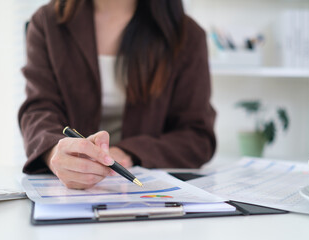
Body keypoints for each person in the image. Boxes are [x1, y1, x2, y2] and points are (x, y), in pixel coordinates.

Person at [18, 0, 216, 189]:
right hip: (67, 192)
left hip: (142, 191)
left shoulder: (187, 34)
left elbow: (197, 136)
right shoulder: (47, 22)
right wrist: (55, 152)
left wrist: (127, 152)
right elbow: (38, 111)